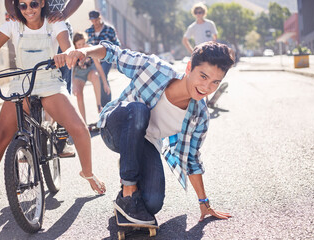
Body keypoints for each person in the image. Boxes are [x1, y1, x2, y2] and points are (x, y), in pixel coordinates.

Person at [57, 40, 235, 224]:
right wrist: (84, 51)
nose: (207, 87)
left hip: (146, 142)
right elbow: (114, 53)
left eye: (215, 82)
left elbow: (191, 158)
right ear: (189, 67)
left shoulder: (200, 115)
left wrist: (204, 202)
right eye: (203, 76)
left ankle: (124, 195)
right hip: (115, 127)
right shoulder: (155, 68)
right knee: (139, 110)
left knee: (152, 203)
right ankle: (128, 190)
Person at [0, 0, 105, 210]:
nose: (28, 10)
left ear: (42, 3)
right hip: (21, 82)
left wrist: (66, 54)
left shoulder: (54, 22)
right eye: (22, 5)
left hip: (49, 81)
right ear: (17, 7)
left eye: (33, 4)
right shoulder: (13, 24)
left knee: (78, 128)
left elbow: (66, 44)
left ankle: (87, 172)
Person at [5, 0, 83, 158]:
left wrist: (64, 14)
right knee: (27, 82)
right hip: (28, 29)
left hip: (58, 29)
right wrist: (14, 12)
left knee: (61, 85)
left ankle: (62, 139)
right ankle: (25, 142)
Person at [72, 32, 110, 122]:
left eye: (83, 43)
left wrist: (105, 83)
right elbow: (71, 71)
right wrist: (73, 85)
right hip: (78, 75)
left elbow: (98, 67)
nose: (81, 47)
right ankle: (84, 122)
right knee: (79, 94)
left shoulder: (89, 48)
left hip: (89, 72)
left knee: (95, 75)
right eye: (79, 45)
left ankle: (99, 105)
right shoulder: (72, 52)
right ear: (75, 45)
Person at [85, 10, 120, 107]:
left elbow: (117, 44)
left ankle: (106, 104)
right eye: (92, 20)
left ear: (100, 18)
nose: (94, 22)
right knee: (99, 77)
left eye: (96, 20)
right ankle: (102, 105)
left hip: (106, 58)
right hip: (94, 60)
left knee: (102, 74)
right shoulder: (88, 32)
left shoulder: (110, 29)